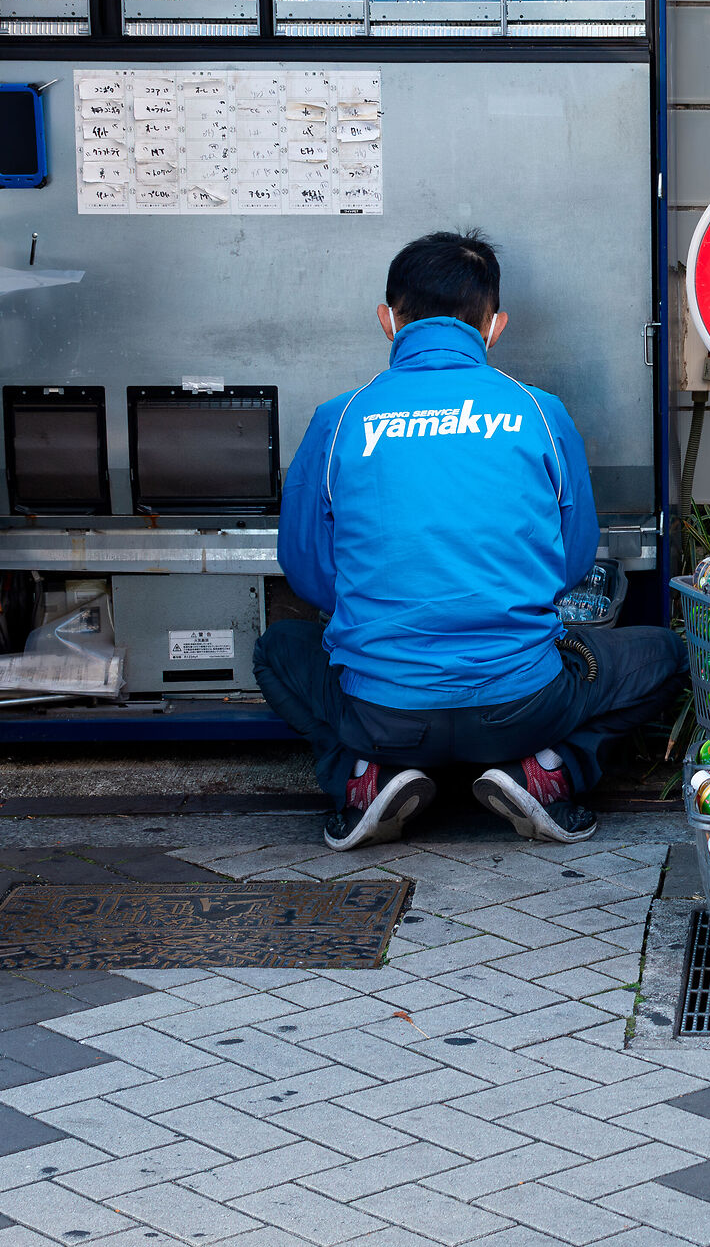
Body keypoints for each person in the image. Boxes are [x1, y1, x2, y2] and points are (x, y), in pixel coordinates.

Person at [253, 231, 683, 850]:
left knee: (277, 650)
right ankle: (546, 770)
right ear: (495, 325)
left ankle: (361, 774)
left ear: (387, 320)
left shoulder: (339, 417)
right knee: (666, 655)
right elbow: (570, 559)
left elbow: (309, 573)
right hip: (523, 707)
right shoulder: (539, 411)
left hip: (383, 715)